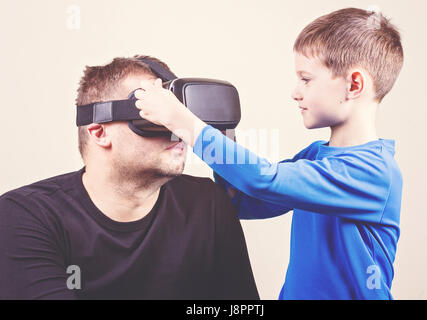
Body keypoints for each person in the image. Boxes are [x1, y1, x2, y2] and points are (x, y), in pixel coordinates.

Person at [133, 8, 404, 299]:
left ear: (354, 85)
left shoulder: (375, 173)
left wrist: (184, 123)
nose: (295, 92)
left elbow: (265, 180)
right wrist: (222, 131)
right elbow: (246, 202)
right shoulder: (316, 156)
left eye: (306, 79)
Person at [0, 55, 259, 300]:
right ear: (99, 132)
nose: (177, 132)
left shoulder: (207, 203)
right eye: (153, 118)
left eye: (177, 116)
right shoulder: (26, 216)